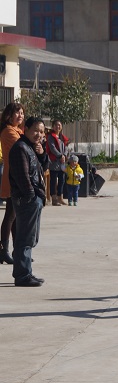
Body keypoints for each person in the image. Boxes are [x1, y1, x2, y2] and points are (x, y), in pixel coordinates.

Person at [8, 116, 48, 287]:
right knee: (25, 237)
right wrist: (31, 195)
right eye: (36, 130)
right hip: (27, 199)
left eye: (42, 132)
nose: (39, 134)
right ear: (26, 129)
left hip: (34, 198)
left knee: (30, 237)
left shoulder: (31, 147)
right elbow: (23, 176)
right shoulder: (20, 148)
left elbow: (43, 169)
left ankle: (26, 272)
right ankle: (22, 275)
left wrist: (42, 154)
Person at [0, 102, 25, 265]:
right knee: (10, 215)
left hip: (17, 177)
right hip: (13, 177)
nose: (20, 115)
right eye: (17, 113)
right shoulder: (9, 131)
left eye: (22, 113)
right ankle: (4, 250)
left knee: (15, 216)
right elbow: (23, 147)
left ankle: (17, 251)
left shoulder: (18, 131)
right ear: (9, 115)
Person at [46, 120, 69, 206]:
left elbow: (66, 147)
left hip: (62, 162)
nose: (57, 127)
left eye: (59, 125)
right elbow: (52, 148)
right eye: (56, 125)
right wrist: (60, 156)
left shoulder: (62, 137)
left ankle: (60, 197)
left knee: (62, 180)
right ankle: (54, 198)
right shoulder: (50, 137)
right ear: (53, 126)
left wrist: (64, 155)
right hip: (54, 162)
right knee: (53, 181)